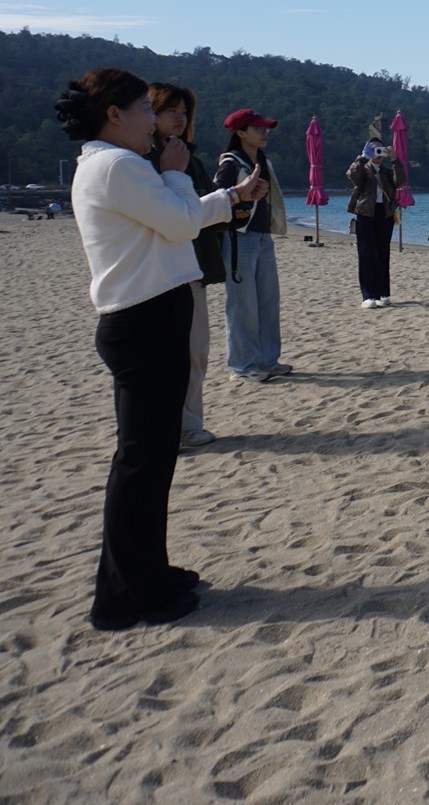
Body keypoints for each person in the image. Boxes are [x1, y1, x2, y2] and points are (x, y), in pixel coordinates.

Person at [58, 68, 268, 630]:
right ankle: (126, 595)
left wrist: (230, 196)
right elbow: (180, 224)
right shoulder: (116, 165)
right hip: (143, 320)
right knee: (141, 463)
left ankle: (148, 573)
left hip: (150, 316)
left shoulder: (114, 164)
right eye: (145, 110)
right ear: (115, 115)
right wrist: (177, 174)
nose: (155, 121)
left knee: (152, 461)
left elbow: (179, 219)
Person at [148, 84, 227, 450]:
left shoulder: (190, 159)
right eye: (171, 111)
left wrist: (233, 205)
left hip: (193, 265)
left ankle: (190, 424)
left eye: (184, 113)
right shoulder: (139, 160)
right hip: (158, 270)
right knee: (164, 354)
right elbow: (171, 214)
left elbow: (199, 212)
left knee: (196, 350)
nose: (179, 119)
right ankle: (166, 427)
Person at [213, 108, 289, 382]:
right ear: (240, 132)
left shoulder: (262, 160)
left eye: (266, 128)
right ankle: (242, 366)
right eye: (258, 128)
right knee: (242, 304)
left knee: (268, 301)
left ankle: (268, 360)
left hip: (262, 236)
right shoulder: (231, 163)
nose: (264, 132)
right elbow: (218, 198)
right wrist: (239, 208)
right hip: (239, 238)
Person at [346, 140, 407, 308]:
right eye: (374, 150)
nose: (378, 154)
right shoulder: (363, 170)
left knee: (383, 253)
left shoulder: (387, 172)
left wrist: (395, 159)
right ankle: (368, 295)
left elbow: (400, 181)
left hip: (385, 214)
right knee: (366, 254)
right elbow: (352, 175)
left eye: (380, 150)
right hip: (365, 214)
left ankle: (383, 293)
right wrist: (363, 157)